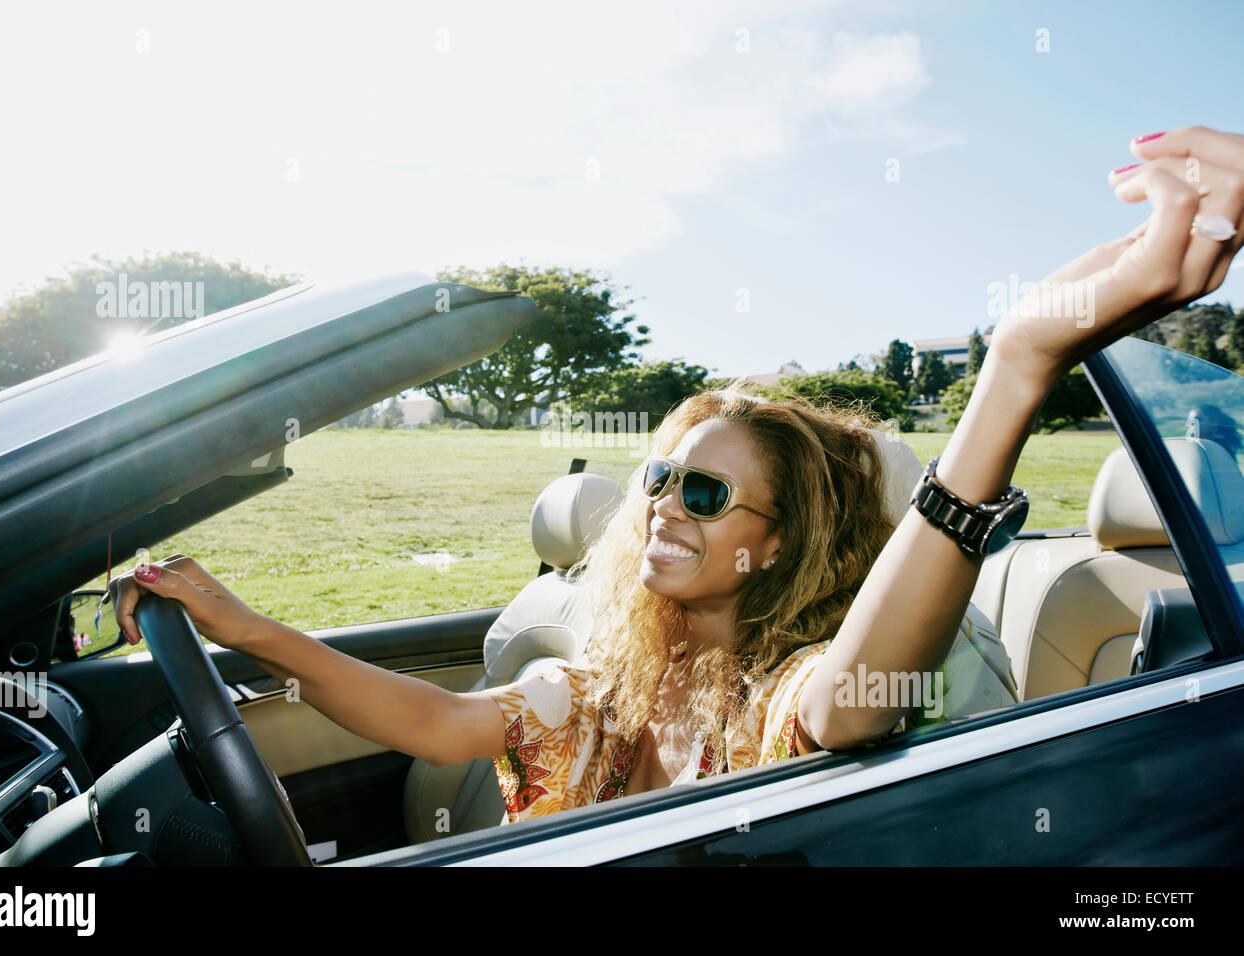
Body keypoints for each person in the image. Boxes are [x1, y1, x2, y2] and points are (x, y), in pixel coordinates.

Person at [109, 125, 1244, 826]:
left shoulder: (794, 692)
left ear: (777, 544)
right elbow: (438, 720)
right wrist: (246, 626)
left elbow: (856, 693)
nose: (657, 503)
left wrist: (1013, 367)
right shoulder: (602, 685)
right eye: (659, 475)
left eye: (703, 492)